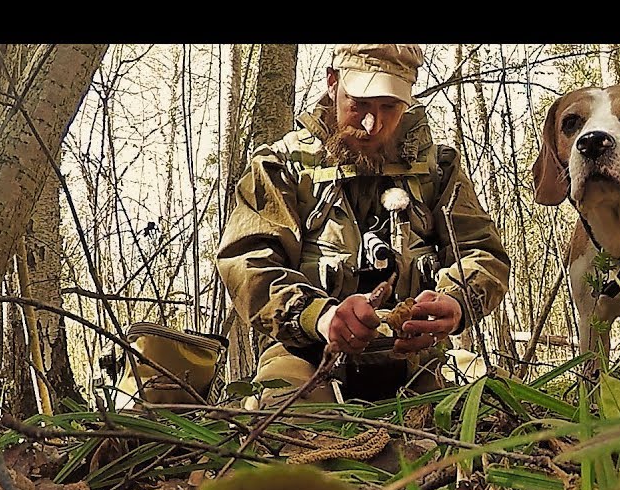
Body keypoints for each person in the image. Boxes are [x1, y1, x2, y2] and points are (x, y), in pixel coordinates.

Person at [217, 44, 510, 409]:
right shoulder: (281, 167)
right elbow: (248, 262)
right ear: (332, 82)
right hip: (303, 356)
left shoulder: (438, 169)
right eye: (360, 104)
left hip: (417, 361)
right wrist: (319, 316)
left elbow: (482, 253)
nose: (373, 124)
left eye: (389, 107)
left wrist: (456, 302)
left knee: (465, 429)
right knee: (291, 432)